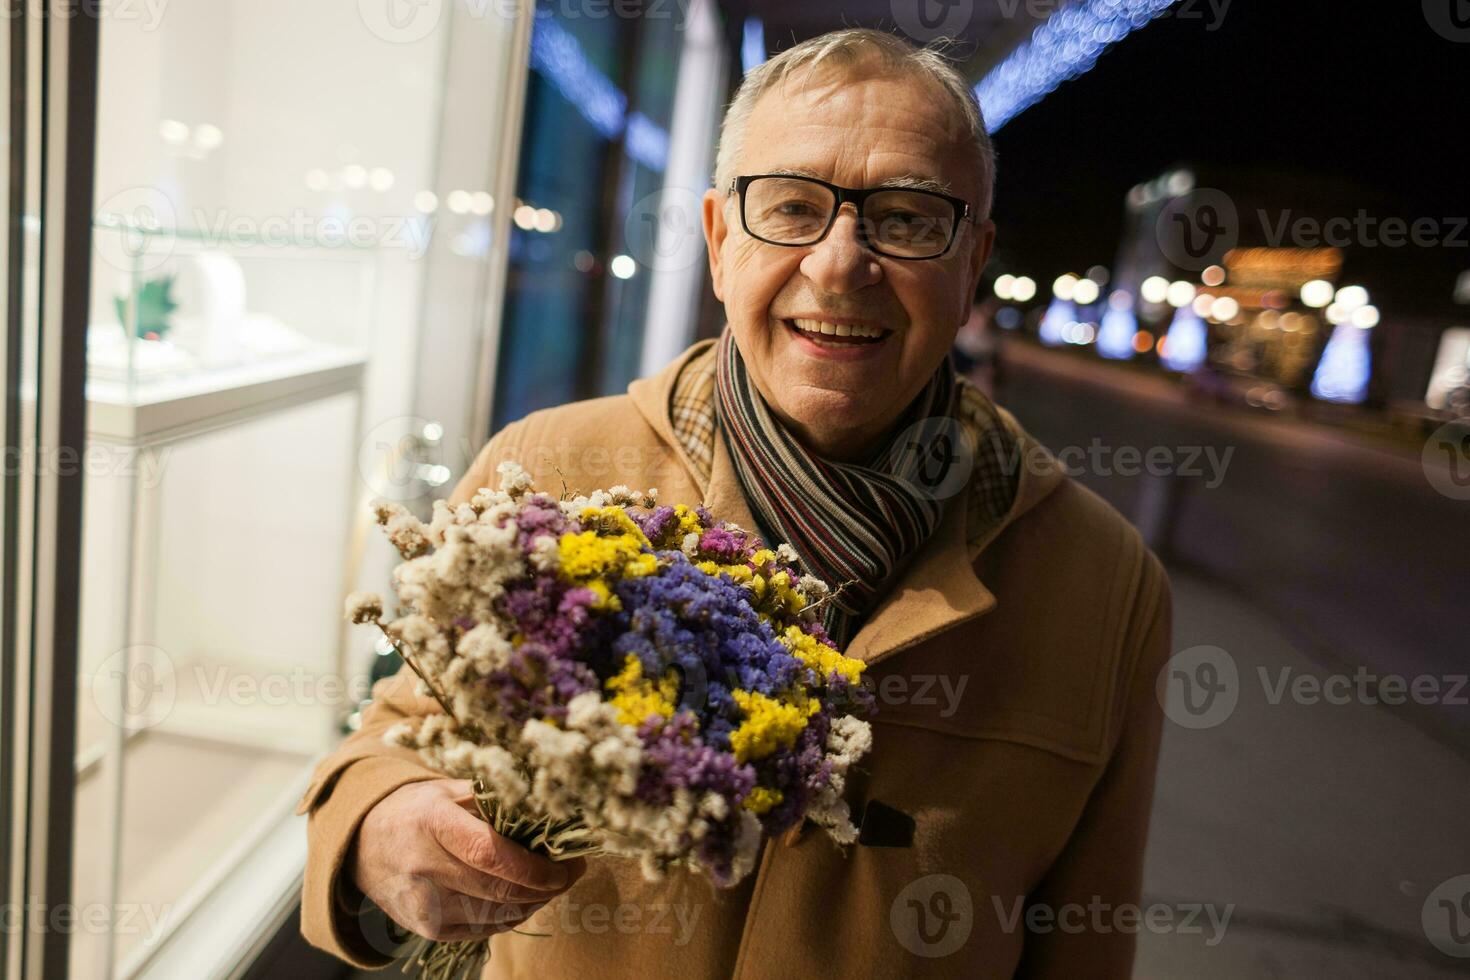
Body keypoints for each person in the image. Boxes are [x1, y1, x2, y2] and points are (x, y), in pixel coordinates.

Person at [300, 28, 1172, 979]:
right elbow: (390, 738)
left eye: (910, 217)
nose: (841, 264)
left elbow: (1084, 944)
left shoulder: (1104, 584)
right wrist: (382, 825)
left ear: (972, 261)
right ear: (719, 241)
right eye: (792, 208)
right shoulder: (550, 468)